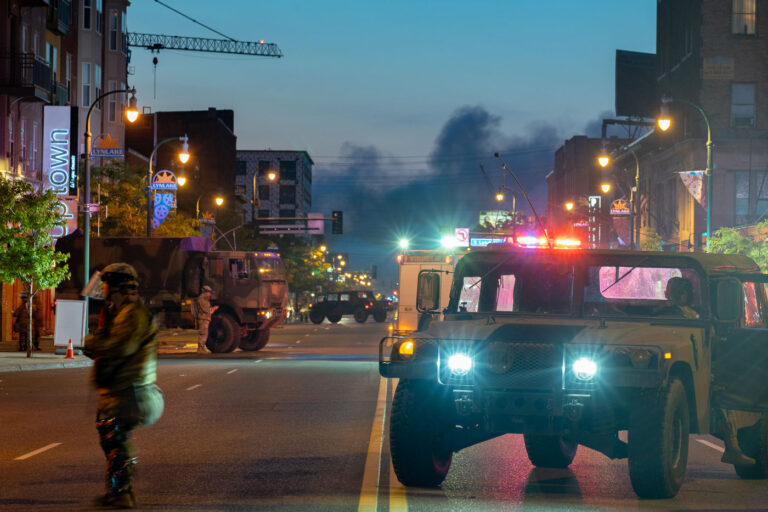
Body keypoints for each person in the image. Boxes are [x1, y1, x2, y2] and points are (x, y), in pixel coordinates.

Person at [83, 263, 164, 508]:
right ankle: (118, 491)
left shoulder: (132, 314)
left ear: (116, 286)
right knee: (111, 438)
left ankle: (121, 492)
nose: (102, 288)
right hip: (120, 390)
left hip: (130, 391)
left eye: (106, 284)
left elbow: (121, 347)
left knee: (114, 437)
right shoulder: (118, 311)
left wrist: (92, 343)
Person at [191, 285, 217, 354]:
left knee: (204, 333)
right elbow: (207, 310)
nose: (210, 294)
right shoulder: (202, 300)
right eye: (209, 292)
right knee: (203, 334)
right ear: (205, 292)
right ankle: (200, 349)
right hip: (203, 319)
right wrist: (214, 308)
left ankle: (201, 348)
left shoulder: (203, 299)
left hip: (204, 318)